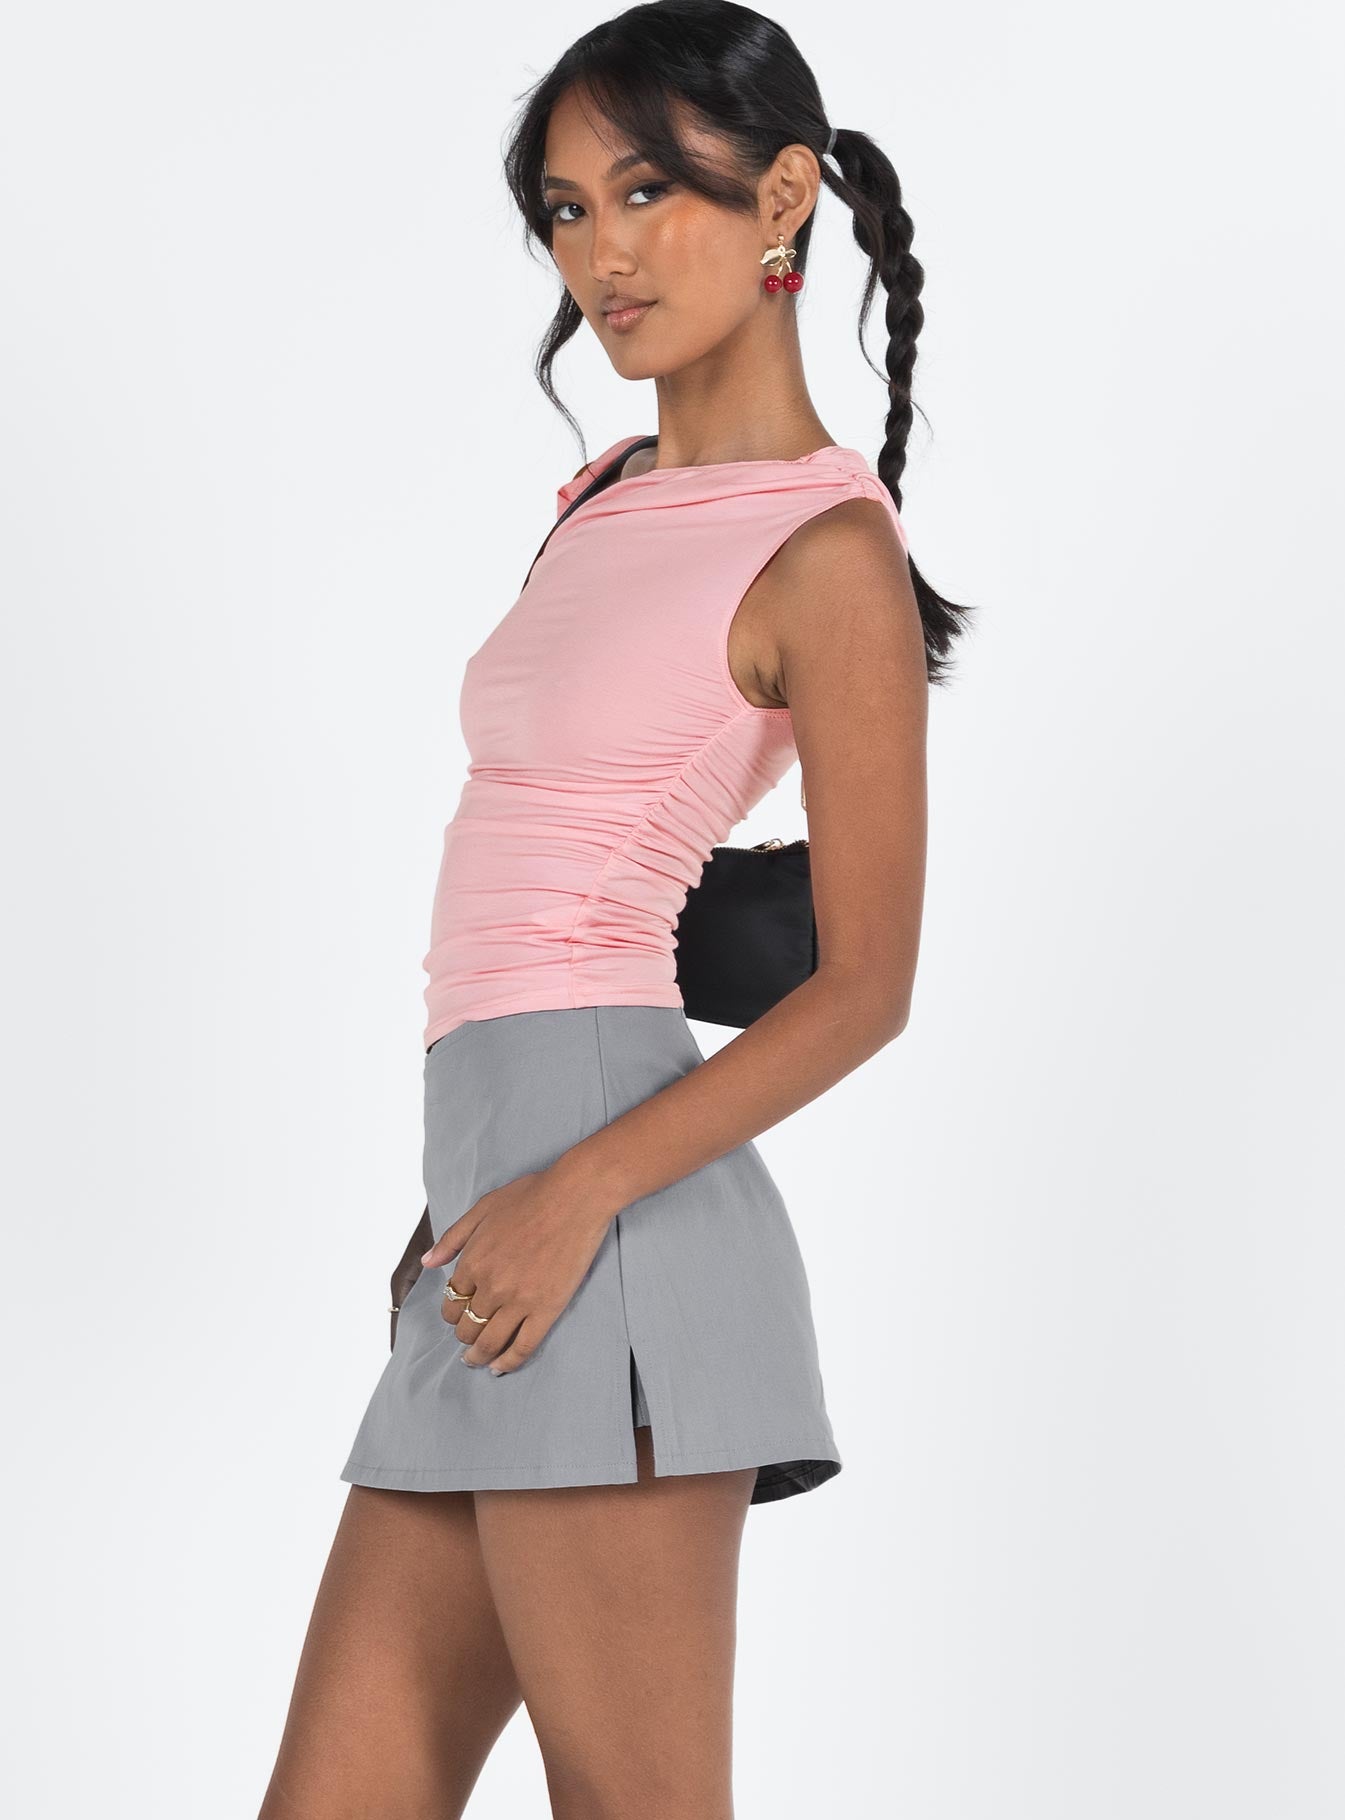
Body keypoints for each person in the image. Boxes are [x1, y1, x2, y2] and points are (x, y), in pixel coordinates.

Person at [259, 3, 972, 1814]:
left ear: (784, 199)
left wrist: (568, 1191)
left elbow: (867, 985)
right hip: (494, 1207)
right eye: (568, 210)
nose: (603, 253)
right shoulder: (600, 497)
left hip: (613, 1228)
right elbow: (546, 869)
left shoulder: (828, 552)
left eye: (650, 190)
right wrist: (464, 1200)